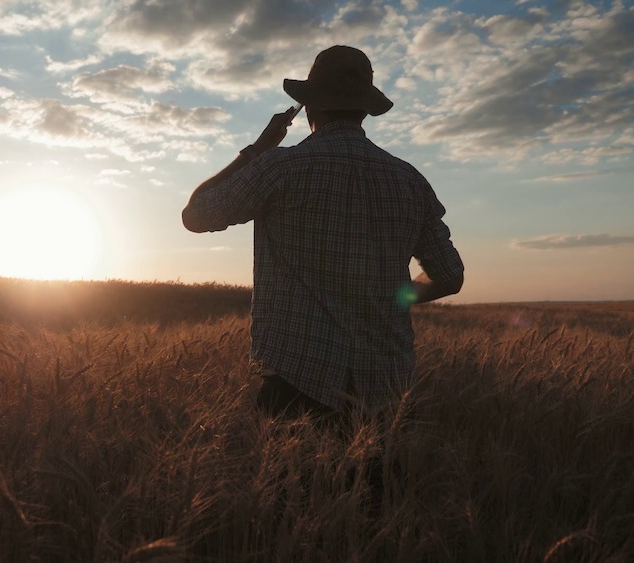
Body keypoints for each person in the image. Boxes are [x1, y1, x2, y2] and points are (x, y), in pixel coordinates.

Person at [182, 45, 464, 419]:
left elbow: (197, 214)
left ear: (309, 105)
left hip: (298, 383)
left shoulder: (281, 167)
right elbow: (448, 277)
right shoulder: (410, 181)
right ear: (365, 108)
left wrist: (256, 150)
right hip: (385, 390)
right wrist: (387, 298)